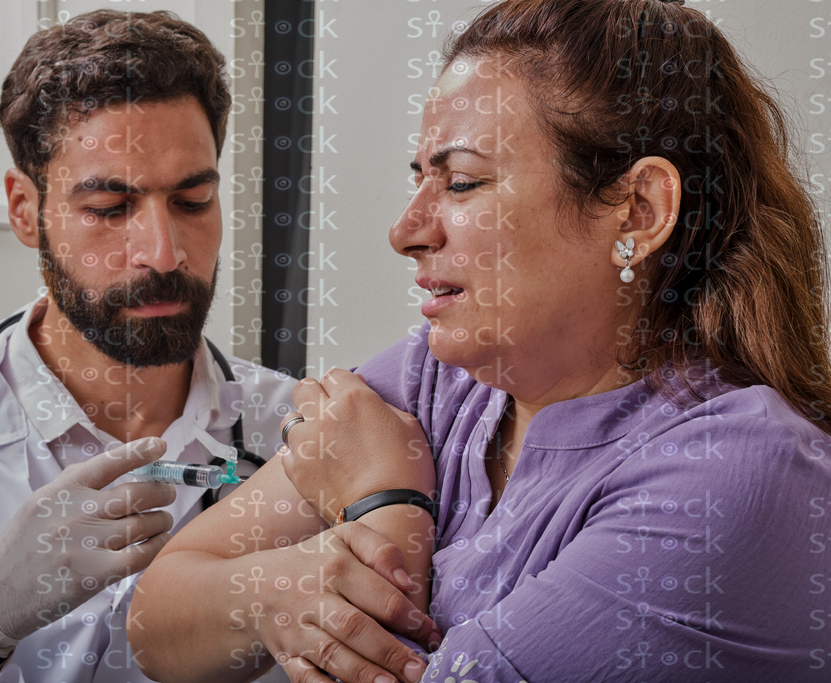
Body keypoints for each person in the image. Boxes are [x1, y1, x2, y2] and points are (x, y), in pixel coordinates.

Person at [127, 0, 831, 681]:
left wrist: (384, 501)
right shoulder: (440, 378)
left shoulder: (735, 476)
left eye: (462, 183)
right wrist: (271, 594)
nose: (406, 230)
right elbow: (157, 616)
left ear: (638, 210)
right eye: (421, 179)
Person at [0, 9, 295, 682]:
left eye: (192, 199)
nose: (162, 252)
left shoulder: (303, 438)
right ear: (21, 209)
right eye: (108, 208)